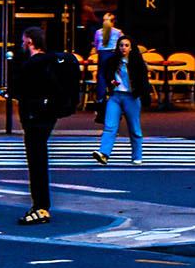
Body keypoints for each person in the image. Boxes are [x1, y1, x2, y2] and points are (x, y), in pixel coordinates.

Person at [8, 24, 78, 226]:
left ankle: (40, 206)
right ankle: (40, 205)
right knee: (40, 156)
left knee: (35, 160)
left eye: (24, 41)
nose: (22, 44)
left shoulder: (31, 65)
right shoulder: (51, 63)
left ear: (29, 41)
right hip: (48, 114)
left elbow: (19, 89)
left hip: (33, 116)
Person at [94, 33, 149, 165]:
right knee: (110, 126)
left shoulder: (137, 62)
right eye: (121, 45)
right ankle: (104, 153)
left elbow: (143, 80)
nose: (123, 48)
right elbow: (106, 75)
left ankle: (137, 155)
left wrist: (143, 95)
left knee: (134, 128)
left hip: (131, 97)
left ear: (131, 47)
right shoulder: (113, 61)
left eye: (126, 45)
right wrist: (112, 83)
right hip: (116, 96)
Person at [90, 12, 123, 98]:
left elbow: (96, 45)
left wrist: (99, 52)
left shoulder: (98, 32)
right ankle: (115, 92)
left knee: (101, 76)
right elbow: (122, 44)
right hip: (113, 54)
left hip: (102, 54)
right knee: (113, 75)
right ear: (113, 21)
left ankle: (101, 97)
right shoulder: (118, 32)